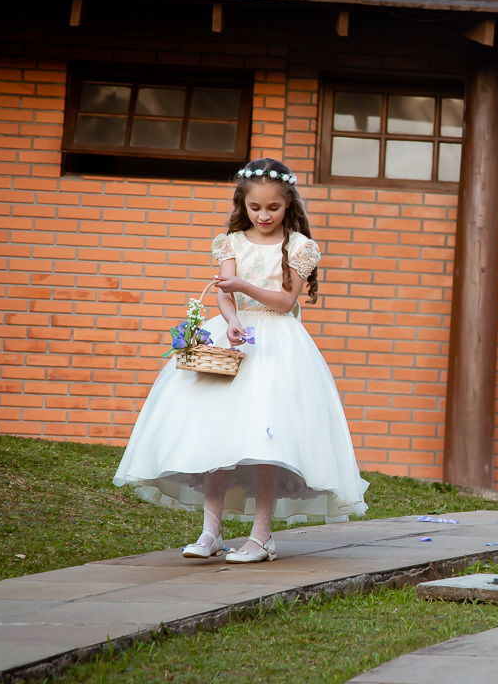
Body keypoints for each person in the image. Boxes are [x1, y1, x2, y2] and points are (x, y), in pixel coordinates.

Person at [114, 158, 369, 562]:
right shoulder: (230, 242)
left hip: (277, 346)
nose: (264, 215)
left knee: (266, 437)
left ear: (288, 204)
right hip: (234, 341)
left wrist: (244, 286)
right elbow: (224, 292)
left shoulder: (299, 247)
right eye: (255, 207)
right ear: (242, 205)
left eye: (273, 207)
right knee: (221, 432)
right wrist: (231, 321)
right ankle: (210, 532)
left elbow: (284, 301)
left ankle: (261, 536)